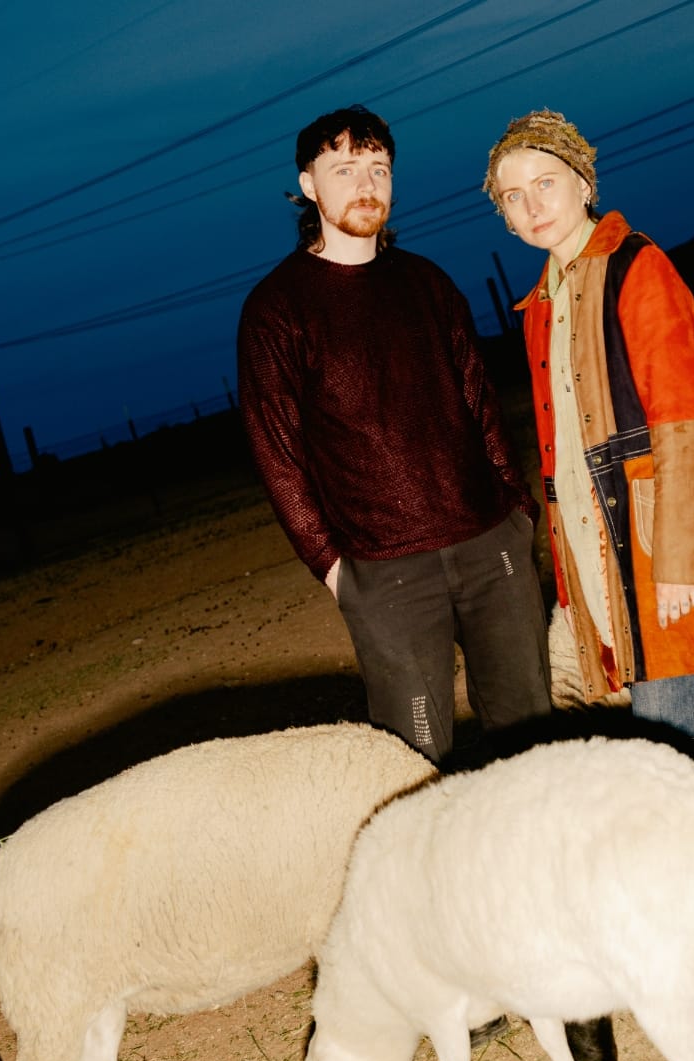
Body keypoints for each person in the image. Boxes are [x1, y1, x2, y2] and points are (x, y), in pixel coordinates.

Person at [483, 109, 694, 851]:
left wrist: (679, 561)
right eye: (513, 196)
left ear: (585, 182)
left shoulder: (636, 266)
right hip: (605, 559)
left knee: (680, 756)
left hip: (657, 553)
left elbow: (681, 421)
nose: (533, 205)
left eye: (546, 183)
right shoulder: (540, 303)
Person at [236, 105, 554, 766]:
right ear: (308, 183)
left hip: (491, 548)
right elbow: (279, 454)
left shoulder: (428, 283)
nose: (365, 184)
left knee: (532, 740)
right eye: (344, 168)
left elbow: (480, 404)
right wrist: (331, 567)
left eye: (378, 168)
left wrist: (516, 512)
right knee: (417, 757)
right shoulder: (277, 309)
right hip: (385, 574)